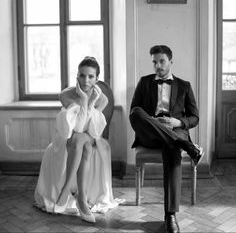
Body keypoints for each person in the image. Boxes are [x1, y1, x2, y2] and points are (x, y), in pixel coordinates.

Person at [34, 56, 122, 223]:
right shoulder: (66, 95)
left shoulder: (102, 99)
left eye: (90, 76)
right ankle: (82, 198)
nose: (86, 80)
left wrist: (90, 104)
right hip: (68, 135)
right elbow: (76, 128)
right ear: (77, 76)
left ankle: (66, 189)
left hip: (91, 135)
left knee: (83, 140)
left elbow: (91, 130)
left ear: (97, 79)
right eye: (82, 75)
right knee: (82, 144)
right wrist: (82, 99)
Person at [129, 45, 204, 233]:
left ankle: (170, 215)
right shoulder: (144, 82)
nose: (158, 66)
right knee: (137, 112)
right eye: (154, 62)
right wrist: (154, 122)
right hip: (151, 134)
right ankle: (187, 146)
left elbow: (195, 117)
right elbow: (134, 112)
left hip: (174, 130)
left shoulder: (184, 85)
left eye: (162, 61)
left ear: (171, 61)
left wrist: (176, 121)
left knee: (171, 147)